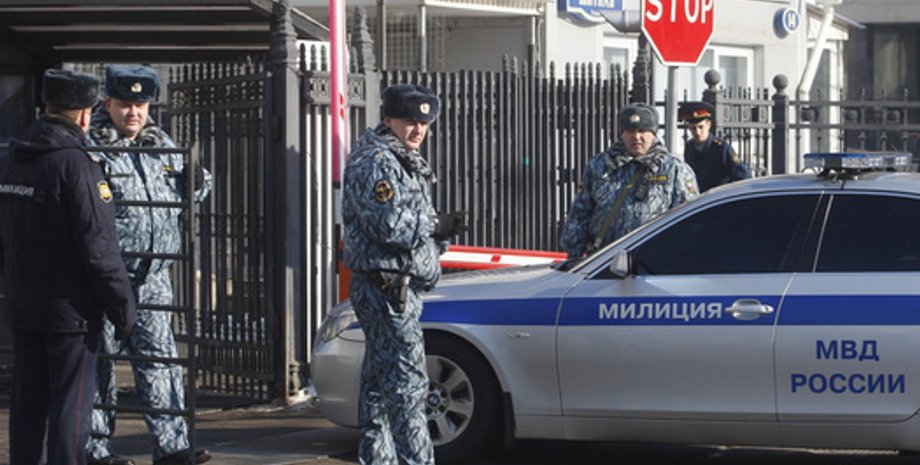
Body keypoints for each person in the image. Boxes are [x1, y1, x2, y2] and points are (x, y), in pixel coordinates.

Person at [0, 69, 137, 465]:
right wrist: (123, 306)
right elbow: (98, 245)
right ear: (84, 114)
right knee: (70, 408)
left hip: (24, 304)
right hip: (71, 314)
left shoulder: (12, 160)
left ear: (46, 106)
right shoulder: (77, 165)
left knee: (27, 404)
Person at [85, 64, 212, 465]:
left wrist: (197, 180)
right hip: (110, 278)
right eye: (125, 104)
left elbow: (195, 186)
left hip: (155, 277)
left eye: (140, 105)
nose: (133, 113)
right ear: (108, 102)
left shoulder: (159, 143)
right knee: (101, 366)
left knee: (161, 363)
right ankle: (96, 450)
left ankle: (172, 446)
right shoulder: (94, 147)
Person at [342, 83, 467, 465]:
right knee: (409, 385)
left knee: (379, 389)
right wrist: (434, 224)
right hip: (386, 288)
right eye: (410, 121)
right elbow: (389, 224)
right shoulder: (376, 162)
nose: (418, 130)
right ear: (389, 119)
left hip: (397, 288)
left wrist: (438, 236)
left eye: (424, 123)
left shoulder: (401, 159)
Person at [561, 102, 699, 258]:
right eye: (631, 131)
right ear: (622, 133)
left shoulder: (674, 169)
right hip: (605, 259)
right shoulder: (600, 166)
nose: (636, 137)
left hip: (654, 260)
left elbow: (688, 221)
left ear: (653, 134)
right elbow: (580, 214)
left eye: (642, 131)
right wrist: (574, 254)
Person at [679, 101, 751, 193]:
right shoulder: (690, 148)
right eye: (693, 128)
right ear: (688, 127)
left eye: (701, 127)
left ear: (708, 125)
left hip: (720, 198)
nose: (697, 132)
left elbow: (743, 176)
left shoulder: (721, 149)